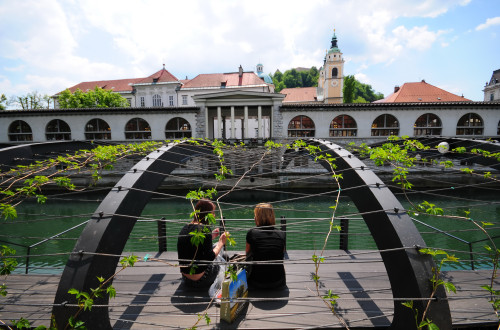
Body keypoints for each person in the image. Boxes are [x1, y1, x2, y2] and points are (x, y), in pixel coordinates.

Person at [177, 199, 227, 289]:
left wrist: (210, 236)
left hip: (186, 279)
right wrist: (221, 243)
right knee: (221, 252)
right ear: (207, 214)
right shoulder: (205, 229)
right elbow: (210, 257)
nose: (214, 215)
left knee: (214, 247)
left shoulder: (185, 228)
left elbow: (193, 246)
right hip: (202, 280)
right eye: (213, 213)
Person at [246, 203, 286, 289]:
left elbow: (247, 254)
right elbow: (281, 253)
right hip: (278, 282)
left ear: (257, 217)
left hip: (256, 282)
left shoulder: (251, 233)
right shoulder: (281, 234)